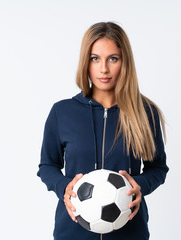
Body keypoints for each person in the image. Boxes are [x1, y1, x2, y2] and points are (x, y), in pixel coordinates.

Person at [37, 21, 169, 240]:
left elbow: (158, 168)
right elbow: (47, 165)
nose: (104, 68)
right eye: (95, 58)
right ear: (85, 62)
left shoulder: (145, 112)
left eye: (113, 59)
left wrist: (141, 185)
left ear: (124, 62)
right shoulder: (63, 112)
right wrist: (64, 186)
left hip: (130, 232)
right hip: (72, 232)